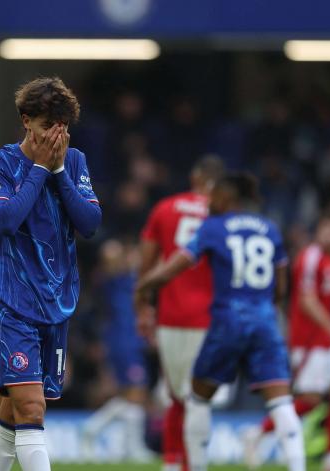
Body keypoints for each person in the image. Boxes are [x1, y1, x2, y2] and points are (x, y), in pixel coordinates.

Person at [135, 173, 305, 471]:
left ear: (228, 197)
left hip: (227, 321)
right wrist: (262, 307)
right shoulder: (270, 228)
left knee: (197, 399)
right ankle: (298, 466)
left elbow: (176, 266)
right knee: (280, 400)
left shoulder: (214, 228)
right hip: (265, 321)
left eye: (214, 197)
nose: (209, 202)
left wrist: (143, 286)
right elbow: (281, 288)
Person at [0, 77, 101, 471]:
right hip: (12, 301)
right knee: (32, 408)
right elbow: (6, 219)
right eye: (49, 125)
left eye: (63, 126)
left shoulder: (75, 160)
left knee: (13, 414)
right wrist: (37, 169)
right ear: (26, 120)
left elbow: (90, 223)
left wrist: (61, 170)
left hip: (58, 303)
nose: (57, 135)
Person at [246, 216, 330, 471]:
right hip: (309, 340)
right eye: (328, 229)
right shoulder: (311, 256)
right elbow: (307, 301)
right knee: (310, 399)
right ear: (318, 231)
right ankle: (258, 432)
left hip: (327, 340)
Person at [136, 156, 225, 471]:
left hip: (170, 316)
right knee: (197, 398)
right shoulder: (223, 216)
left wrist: (143, 307)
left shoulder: (165, 208)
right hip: (209, 318)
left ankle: (171, 462)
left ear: (195, 177)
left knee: (175, 394)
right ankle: (192, 464)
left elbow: (146, 264)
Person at [81, 239, 153, 462]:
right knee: (137, 394)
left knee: (130, 395)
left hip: (131, 341)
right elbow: (111, 260)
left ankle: (126, 446)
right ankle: (99, 432)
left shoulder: (134, 280)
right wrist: (116, 254)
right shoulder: (111, 280)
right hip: (122, 341)